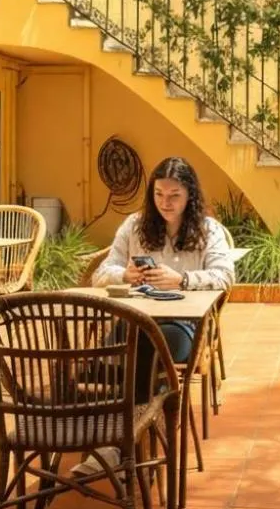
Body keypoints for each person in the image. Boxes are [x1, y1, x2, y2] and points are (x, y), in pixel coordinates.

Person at [77, 156, 234, 477]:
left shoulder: (208, 230)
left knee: (137, 351)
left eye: (174, 195)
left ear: (190, 195)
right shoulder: (134, 226)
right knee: (112, 353)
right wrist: (126, 274)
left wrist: (182, 279)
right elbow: (101, 274)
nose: (166, 202)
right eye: (159, 194)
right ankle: (138, 438)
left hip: (182, 326)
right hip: (135, 319)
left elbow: (224, 276)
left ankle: (120, 447)